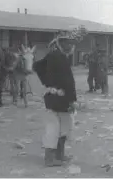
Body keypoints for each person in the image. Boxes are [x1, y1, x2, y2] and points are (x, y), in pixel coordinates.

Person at [33, 32, 78, 167]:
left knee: (64, 126)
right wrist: (49, 84)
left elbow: (37, 66)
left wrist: (47, 83)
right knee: (54, 127)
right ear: (61, 43)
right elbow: (67, 81)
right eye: (67, 43)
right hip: (57, 98)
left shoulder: (58, 55)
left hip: (59, 97)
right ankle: (49, 158)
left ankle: (59, 155)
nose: (70, 45)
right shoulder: (56, 56)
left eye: (71, 43)